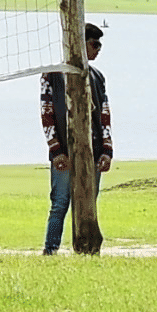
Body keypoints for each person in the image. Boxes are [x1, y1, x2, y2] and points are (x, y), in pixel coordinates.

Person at [40, 22, 113, 255]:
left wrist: (107, 151)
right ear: (80, 44)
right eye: (94, 44)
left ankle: (88, 247)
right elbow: (47, 113)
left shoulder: (98, 77)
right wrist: (56, 151)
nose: (98, 49)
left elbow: (104, 114)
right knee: (60, 203)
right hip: (65, 151)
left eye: (100, 44)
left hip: (94, 151)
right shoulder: (52, 74)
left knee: (89, 203)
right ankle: (50, 250)